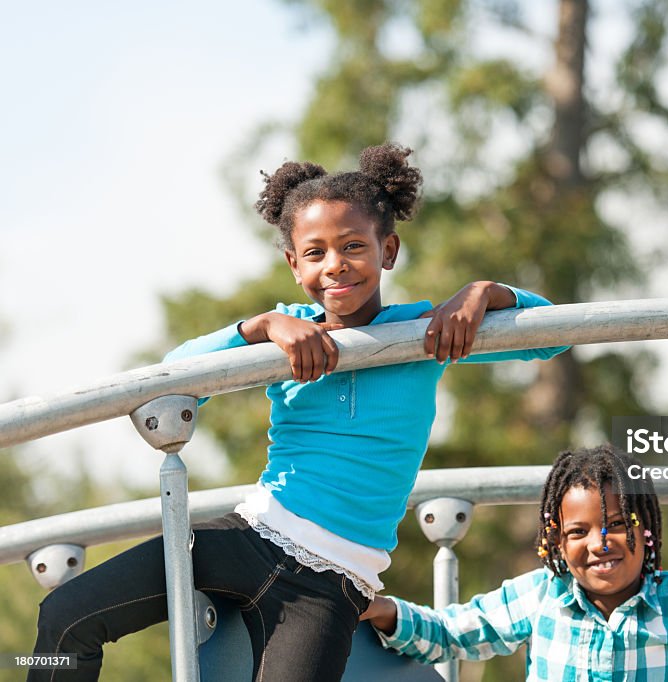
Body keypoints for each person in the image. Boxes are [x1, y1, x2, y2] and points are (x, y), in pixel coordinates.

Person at [30, 143, 567, 681]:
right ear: (294, 264)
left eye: (354, 245)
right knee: (63, 616)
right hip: (246, 537)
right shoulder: (286, 334)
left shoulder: (424, 332)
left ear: (389, 250)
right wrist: (258, 328)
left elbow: (552, 338)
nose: (335, 265)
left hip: (330, 584)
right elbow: (173, 376)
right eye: (315, 253)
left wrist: (485, 294)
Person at [363, 445, 668, 681]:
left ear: (646, 529)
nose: (599, 543)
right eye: (578, 532)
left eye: (616, 524)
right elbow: (452, 632)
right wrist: (383, 610)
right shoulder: (542, 594)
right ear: (556, 543)